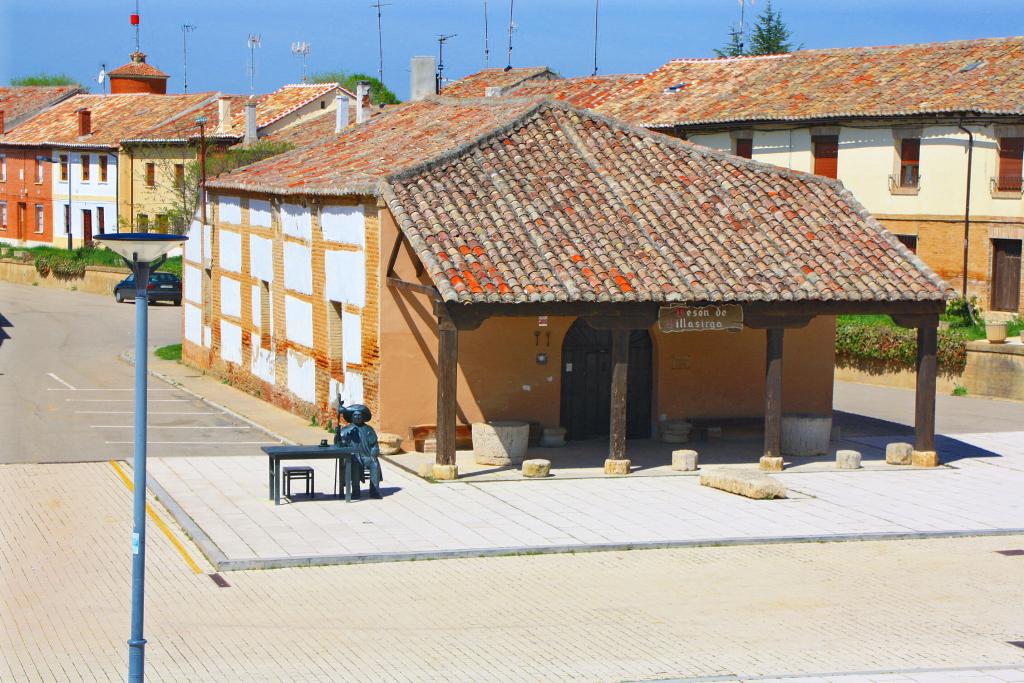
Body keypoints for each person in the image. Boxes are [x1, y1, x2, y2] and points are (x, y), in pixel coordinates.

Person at [335, 403, 383, 499]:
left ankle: (374, 491)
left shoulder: (368, 429)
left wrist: (374, 451)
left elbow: (374, 444)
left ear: (363, 417)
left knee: (375, 464)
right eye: (355, 415)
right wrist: (338, 435)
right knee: (354, 464)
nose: (357, 417)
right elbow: (338, 444)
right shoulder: (346, 430)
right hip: (354, 457)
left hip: (367, 457)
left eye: (359, 415)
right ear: (351, 417)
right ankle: (356, 491)